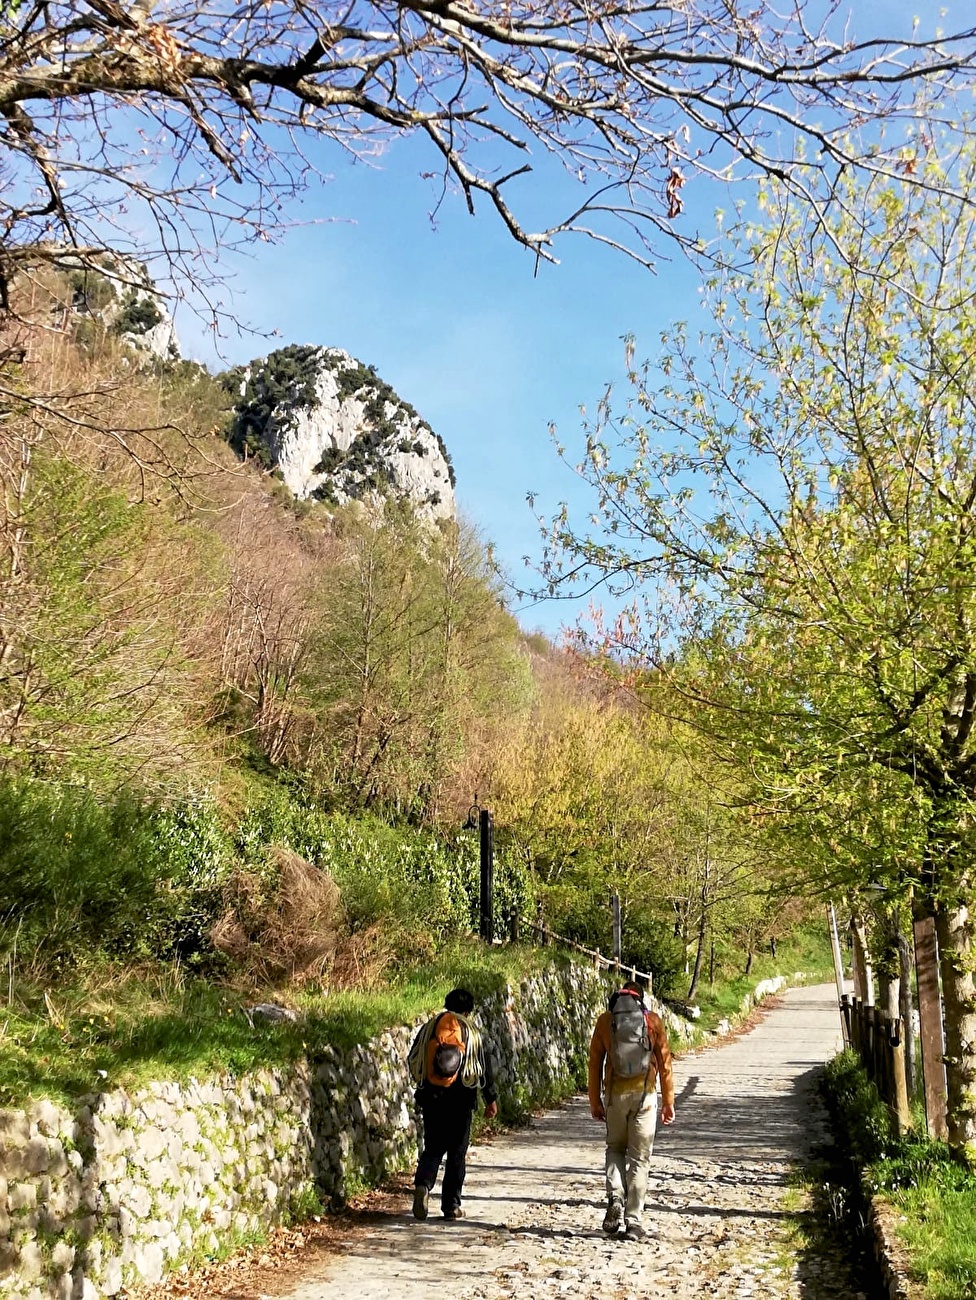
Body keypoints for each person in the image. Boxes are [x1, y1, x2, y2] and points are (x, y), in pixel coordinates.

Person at [588, 978, 675, 1239]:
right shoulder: (653, 1021)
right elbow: (665, 1064)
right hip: (644, 1097)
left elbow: (594, 1063)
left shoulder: (606, 1021)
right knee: (639, 1158)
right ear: (640, 1001)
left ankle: (616, 1196)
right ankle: (634, 1222)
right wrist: (668, 1101)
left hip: (615, 1097)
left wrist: (595, 1101)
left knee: (615, 1148)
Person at [408, 986, 498, 1221]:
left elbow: (413, 1058)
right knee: (457, 1153)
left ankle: (423, 1185)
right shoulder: (471, 1032)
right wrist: (490, 1099)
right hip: (461, 1099)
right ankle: (451, 1206)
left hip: (432, 1098)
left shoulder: (430, 1028)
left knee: (433, 1147)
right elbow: (484, 1067)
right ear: (468, 1010)